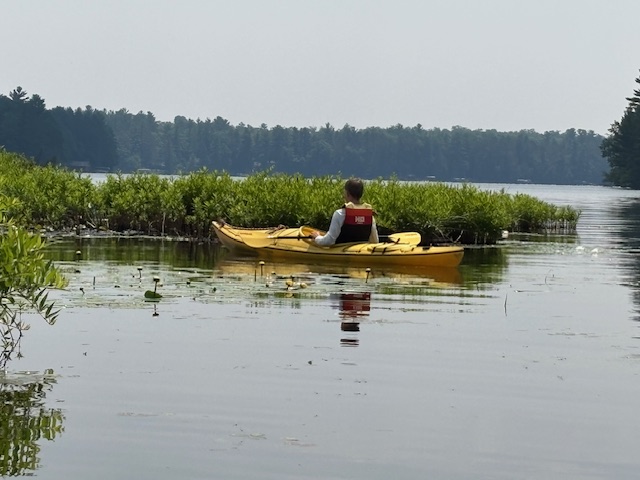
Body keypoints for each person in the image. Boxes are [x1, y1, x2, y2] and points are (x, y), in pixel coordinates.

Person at [310, 178, 379, 246]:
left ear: (347, 193)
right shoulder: (369, 216)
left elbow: (329, 241)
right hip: (361, 252)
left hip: (341, 252)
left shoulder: (339, 214)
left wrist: (317, 237)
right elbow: (375, 241)